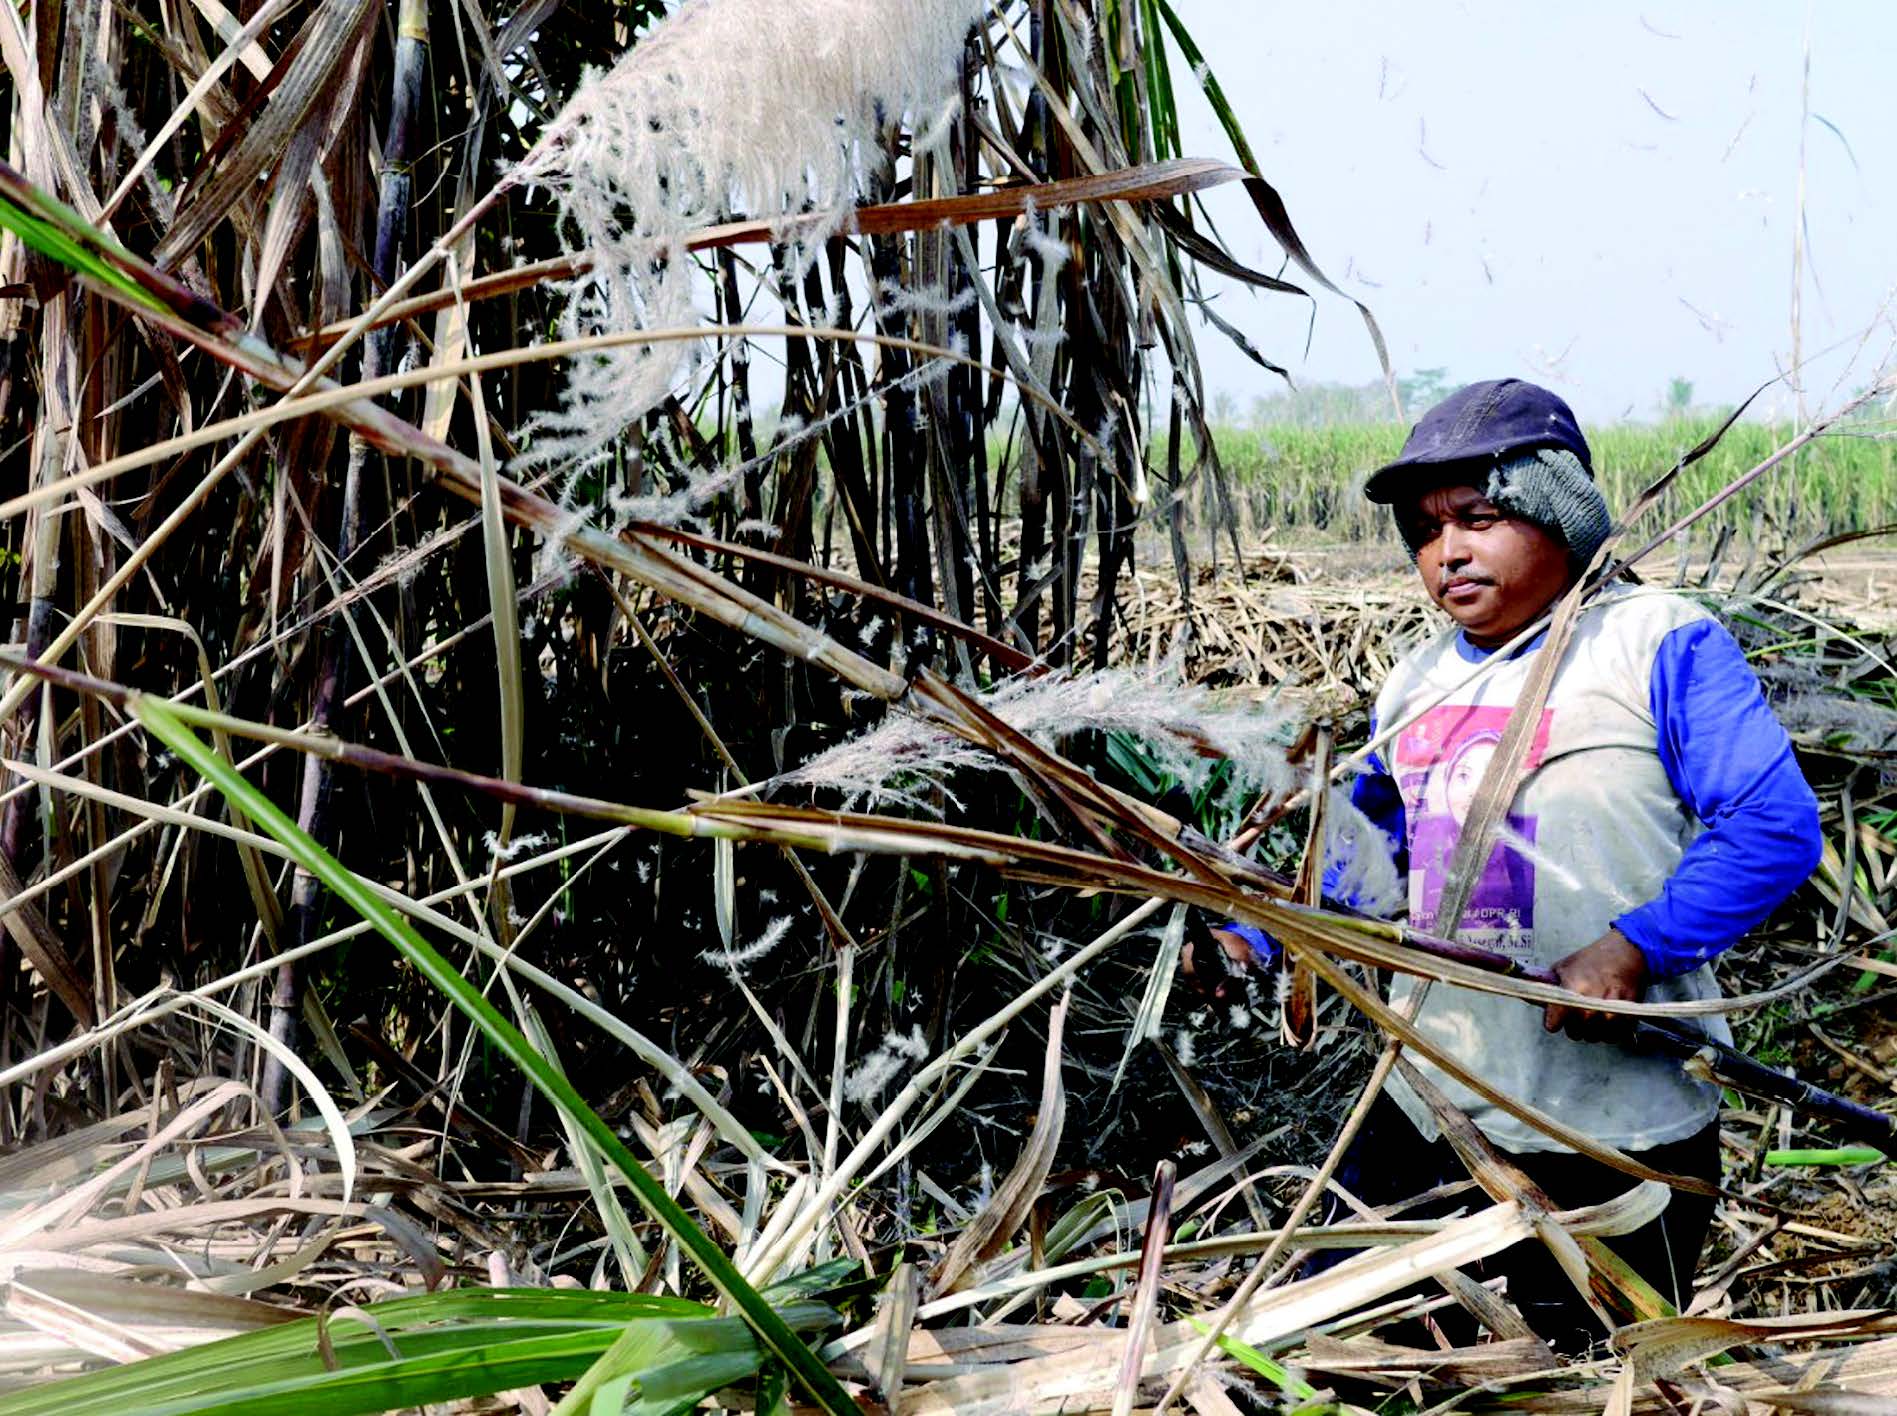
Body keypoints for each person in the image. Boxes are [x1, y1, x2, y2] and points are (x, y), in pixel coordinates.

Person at [1193, 378, 1823, 1349]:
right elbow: (1370, 860)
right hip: (1432, 1107)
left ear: (1559, 512)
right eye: (1427, 528)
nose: (1446, 551)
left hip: (1613, 1135)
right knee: (1343, 1359)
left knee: (1577, 1379)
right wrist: (1254, 940)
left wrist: (1631, 948)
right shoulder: (1415, 682)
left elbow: (1770, 826)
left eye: (1478, 517)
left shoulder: (1655, 642)